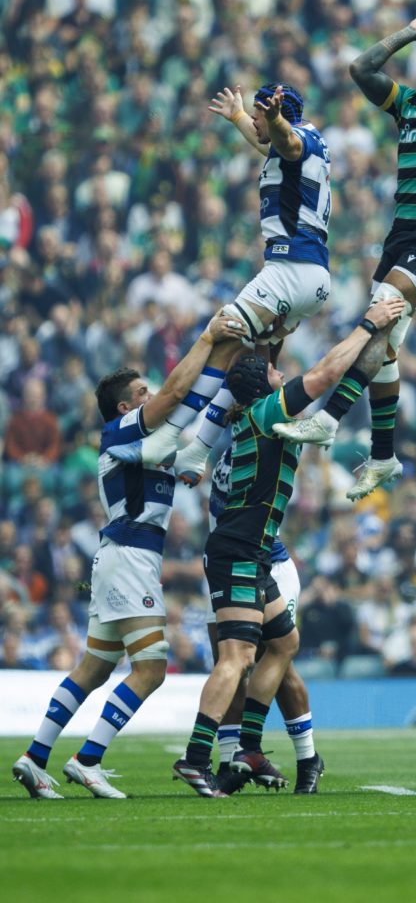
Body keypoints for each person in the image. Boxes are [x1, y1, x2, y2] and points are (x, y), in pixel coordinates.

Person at [172, 295, 405, 797]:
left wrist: (378, 345)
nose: (284, 377)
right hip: (239, 550)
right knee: (234, 658)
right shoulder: (264, 412)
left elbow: (334, 380)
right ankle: (195, 758)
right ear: (266, 388)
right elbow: (323, 375)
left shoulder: (251, 415)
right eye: (276, 374)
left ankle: (249, 745)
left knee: (284, 644)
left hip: (251, 551)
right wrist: (369, 324)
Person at [11, 311, 246, 799]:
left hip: (118, 559)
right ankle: (87, 759)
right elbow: (180, 397)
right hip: (130, 559)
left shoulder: (146, 445)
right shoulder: (120, 433)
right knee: (151, 669)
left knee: (94, 668)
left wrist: (232, 355)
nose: (152, 395)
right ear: (124, 406)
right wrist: (207, 338)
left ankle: (35, 759)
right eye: (142, 393)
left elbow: (197, 425)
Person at [274, 5, 416, 502]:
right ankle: (382, 455)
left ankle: (328, 420)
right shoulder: (409, 107)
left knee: (379, 318)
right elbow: (361, 68)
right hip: (399, 237)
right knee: (389, 344)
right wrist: (412, 33)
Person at [110, 82, 332, 486]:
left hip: (291, 267)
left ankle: (172, 436)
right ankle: (198, 452)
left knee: (221, 332)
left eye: (258, 116)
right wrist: (237, 118)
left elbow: (283, 138)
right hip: (309, 277)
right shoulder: (297, 145)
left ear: (280, 115)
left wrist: (276, 119)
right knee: (250, 366)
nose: (255, 123)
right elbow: (269, 140)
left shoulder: (297, 139)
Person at [204, 445, 324, 795]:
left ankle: (307, 759)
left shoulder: (269, 434)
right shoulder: (233, 439)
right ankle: (230, 763)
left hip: (268, 565)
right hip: (225, 562)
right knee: (227, 664)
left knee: (279, 663)